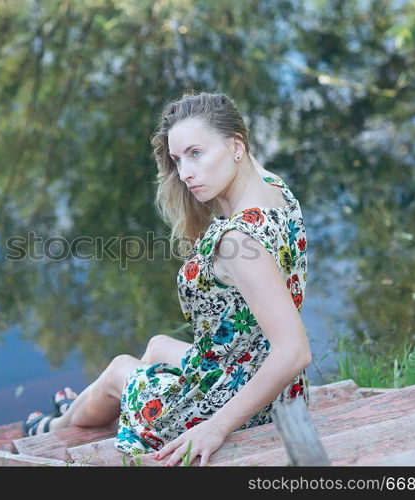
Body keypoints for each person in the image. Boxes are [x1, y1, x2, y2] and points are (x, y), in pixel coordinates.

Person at [21, 90, 312, 466]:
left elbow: (294, 351)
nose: (186, 173)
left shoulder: (238, 240)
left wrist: (216, 428)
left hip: (240, 404)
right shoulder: (274, 188)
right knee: (158, 345)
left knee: (119, 370)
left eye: (196, 153)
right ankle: (81, 407)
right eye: (177, 159)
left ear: (236, 146)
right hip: (266, 381)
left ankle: (58, 424)